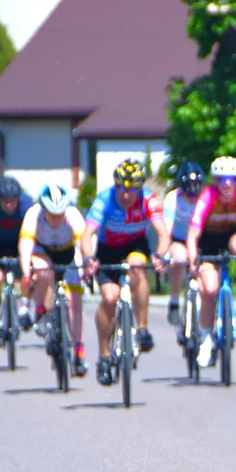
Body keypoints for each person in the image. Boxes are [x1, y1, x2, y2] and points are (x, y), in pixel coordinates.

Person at [81, 158, 169, 386]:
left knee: (136, 268)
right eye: (121, 187)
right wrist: (89, 259)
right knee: (109, 299)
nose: (126, 194)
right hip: (108, 249)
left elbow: (162, 234)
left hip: (135, 245)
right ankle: (103, 355)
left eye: (132, 189)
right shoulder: (104, 200)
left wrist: (160, 255)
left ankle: (141, 329)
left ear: (140, 187)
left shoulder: (149, 200)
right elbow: (86, 235)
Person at [184, 155, 236, 368]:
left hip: (231, 237)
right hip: (208, 243)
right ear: (215, 181)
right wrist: (193, 262)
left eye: (232, 178)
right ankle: (206, 339)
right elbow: (193, 235)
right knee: (209, 290)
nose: (227, 183)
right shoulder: (207, 197)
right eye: (221, 178)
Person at [19, 183, 89, 377]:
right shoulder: (34, 214)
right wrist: (26, 272)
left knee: (74, 302)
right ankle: (41, 310)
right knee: (41, 270)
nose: (56, 218)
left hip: (68, 253)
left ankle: (79, 351)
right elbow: (25, 246)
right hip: (43, 251)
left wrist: (87, 268)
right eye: (52, 214)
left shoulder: (73, 215)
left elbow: (85, 244)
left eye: (60, 214)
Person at [0, 175, 36, 348]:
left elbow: (33, 235)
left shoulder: (28, 205)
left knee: (30, 269)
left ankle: (25, 307)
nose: (9, 205)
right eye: (5, 202)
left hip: (20, 244)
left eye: (13, 201)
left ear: (19, 198)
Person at [161, 161, 205, 326]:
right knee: (179, 258)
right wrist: (165, 254)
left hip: (201, 241)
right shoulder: (173, 198)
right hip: (179, 239)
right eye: (189, 195)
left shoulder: (205, 197)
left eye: (196, 194)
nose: (192, 198)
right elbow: (167, 227)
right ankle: (174, 300)